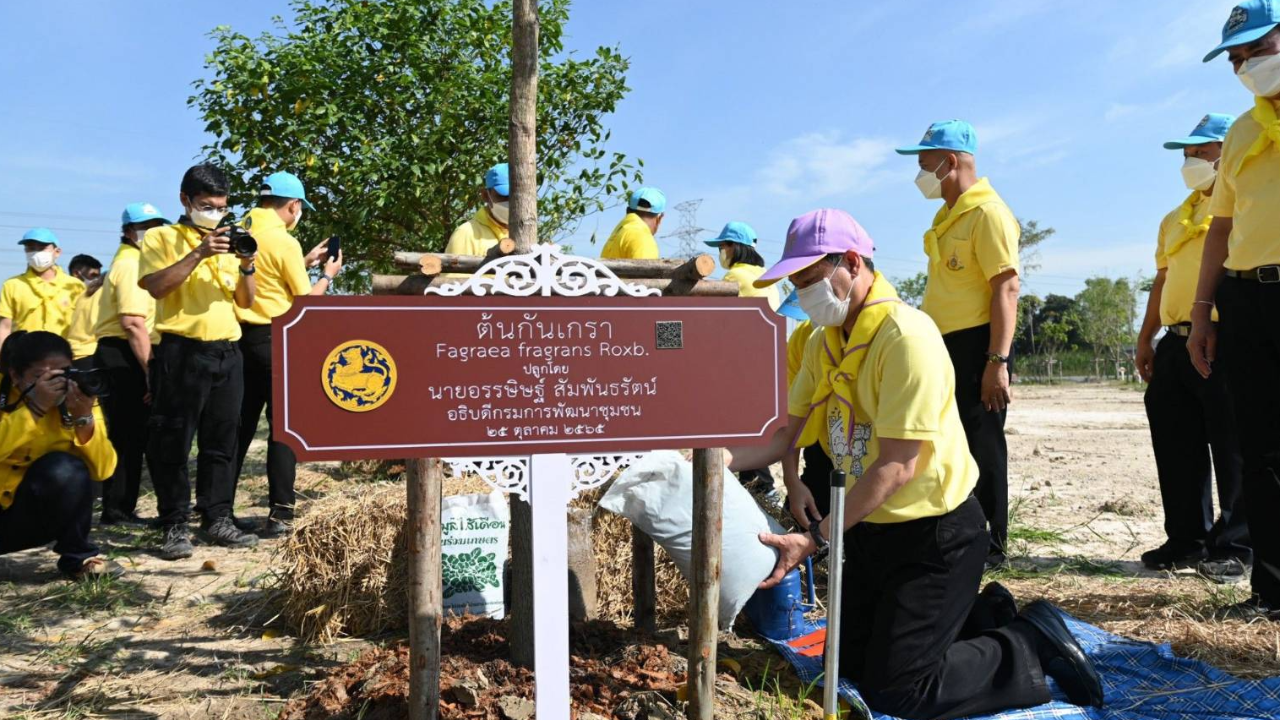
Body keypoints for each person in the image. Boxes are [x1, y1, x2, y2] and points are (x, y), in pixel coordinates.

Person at [728, 209, 1101, 720]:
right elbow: (785, 432)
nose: (804, 291)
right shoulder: (825, 340)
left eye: (811, 278)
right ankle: (981, 613)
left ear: (852, 264)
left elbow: (898, 466)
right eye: (796, 281)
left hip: (936, 538)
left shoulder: (906, 337)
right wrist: (713, 459)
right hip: (871, 532)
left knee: (899, 692)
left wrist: (816, 539)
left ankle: (1025, 644)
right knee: (851, 666)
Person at [1190, 0, 1280, 619]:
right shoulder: (1245, 131)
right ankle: (1270, 590)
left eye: (1257, 50)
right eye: (1237, 59)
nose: (1246, 66)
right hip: (1245, 298)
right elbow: (1220, 228)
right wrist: (1202, 312)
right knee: (1261, 447)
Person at [897, 120, 1020, 569]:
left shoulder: (988, 213)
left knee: (983, 443)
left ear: (951, 162)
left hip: (979, 345)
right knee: (952, 441)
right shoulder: (949, 215)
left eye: (925, 164)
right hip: (944, 344)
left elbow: (1005, 288)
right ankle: (960, 533)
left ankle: (993, 545)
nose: (920, 174)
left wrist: (997, 360)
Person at [1136, 114, 1250, 585]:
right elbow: (1162, 280)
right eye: (1186, 154)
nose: (1190, 161)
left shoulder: (1242, 204)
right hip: (1175, 340)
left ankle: (1239, 544)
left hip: (1223, 337)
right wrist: (1146, 337)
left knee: (1233, 445)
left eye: (1199, 152)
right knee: (1176, 442)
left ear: (1225, 152)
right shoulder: (1174, 218)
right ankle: (1188, 538)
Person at [139, 163, 259, 560]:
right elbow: (155, 286)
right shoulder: (162, 237)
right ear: (185, 199)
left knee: (222, 441)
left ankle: (217, 516)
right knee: (173, 440)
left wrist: (247, 264)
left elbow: (246, 301)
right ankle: (174, 523)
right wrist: (199, 252)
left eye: (222, 206)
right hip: (181, 351)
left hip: (228, 350)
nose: (215, 213)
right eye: (206, 205)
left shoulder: (230, 240)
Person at [233, 171, 343, 537]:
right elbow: (304, 304)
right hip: (274, 339)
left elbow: (266, 276)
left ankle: (217, 510)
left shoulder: (240, 228)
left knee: (240, 426)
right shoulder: (283, 242)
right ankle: (280, 512)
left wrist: (307, 261)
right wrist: (327, 275)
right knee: (283, 427)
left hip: (238, 337)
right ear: (293, 206)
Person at [0, 331, 120, 579]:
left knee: (65, 468)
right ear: (14, 375)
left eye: (63, 372)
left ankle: (80, 559)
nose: (54, 383)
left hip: (28, 520)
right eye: (40, 376)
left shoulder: (77, 399)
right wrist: (35, 408)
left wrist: (84, 418)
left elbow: (103, 470)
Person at [92, 203, 168, 526]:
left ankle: (121, 506)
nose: (150, 232)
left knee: (132, 434)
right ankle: (118, 509)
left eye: (154, 225)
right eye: (143, 226)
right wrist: (150, 371)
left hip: (125, 351)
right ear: (127, 231)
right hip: (126, 354)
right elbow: (133, 323)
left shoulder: (133, 261)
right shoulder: (131, 264)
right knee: (127, 435)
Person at [774, 290, 834, 528]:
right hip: (819, 444)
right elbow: (792, 419)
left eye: (812, 283)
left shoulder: (892, 336)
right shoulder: (805, 338)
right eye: (799, 284)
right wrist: (791, 480)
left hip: (867, 457)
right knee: (799, 521)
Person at [0, 228, 85, 350]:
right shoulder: (13, 285)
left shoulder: (75, 286)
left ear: (57, 252)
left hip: (62, 356)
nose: (36, 252)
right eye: (30, 248)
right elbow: (4, 327)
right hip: (24, 356)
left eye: (42, 247)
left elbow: (82, 325)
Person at [706, 222, 781, 311]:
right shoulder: (765, 273)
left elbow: (714, 312)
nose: (720, 252)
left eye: (721, 248)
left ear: (734, 246)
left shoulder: (734, 275)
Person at [444, 163, 511, 257]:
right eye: (503, 196)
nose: (510, 201)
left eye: (516, 197)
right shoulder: (466, 233)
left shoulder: (527, 234)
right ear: (485, 195)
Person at [600, 187, 664, 260]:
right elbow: (643, 270)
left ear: (627, 211)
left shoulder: (618, 233)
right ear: (659, 218)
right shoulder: (643, 237)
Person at [65, 254, 104, 368]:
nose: (96, 279)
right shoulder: (98, 296)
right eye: (93, 275)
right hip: (88, 354)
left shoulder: (89, 295)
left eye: (98, 276)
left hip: (72, 353)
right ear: (77, 273)